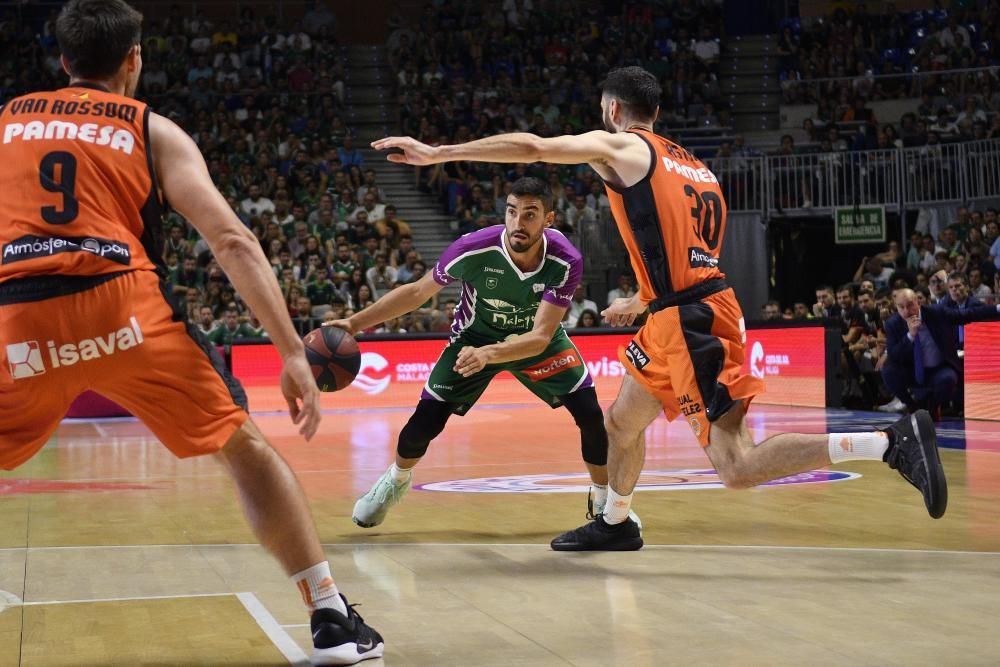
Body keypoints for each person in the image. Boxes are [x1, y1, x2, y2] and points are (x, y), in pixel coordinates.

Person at [371, 65, 951, 553]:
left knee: (735, 465)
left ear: (613, 108)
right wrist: (647, 297)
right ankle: (616, 522)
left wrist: (440, 153)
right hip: (676, 312)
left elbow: (535, 149)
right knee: (620, 422)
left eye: (603, 111)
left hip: (694, 323)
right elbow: (692, 256)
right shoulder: (696, 168)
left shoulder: (626, 145)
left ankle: (885, 440)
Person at [0, 2, 382, 663]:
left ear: (62, 62)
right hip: (124, 311)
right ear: (134, 59)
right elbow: (231, 239)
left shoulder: (6, 123)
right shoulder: (153, 129)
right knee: (246, 448)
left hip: (17, 312)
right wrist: (291, 351)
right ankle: (329, 615)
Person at [326, 178, 624, 528]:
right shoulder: (473, 249)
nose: (518, 223)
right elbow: (418, 293)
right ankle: (395, 479)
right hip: (472, 338)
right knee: (422, 427)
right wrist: (356, 322)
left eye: (530, 215)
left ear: (549, 220)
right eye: (512, 212)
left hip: (533, 342)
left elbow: (541, 336)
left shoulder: (566, 260)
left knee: (590, 415)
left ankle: (605, 501)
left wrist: (492, 354)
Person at [881, 288, 1000, 419]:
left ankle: (933, 407)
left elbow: (966, 314)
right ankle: (911, 406)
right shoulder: (893, 324)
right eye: (901, 307)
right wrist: (910, 336)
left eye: (909, 305)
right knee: (888, 371)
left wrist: (997, 309)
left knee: (948, 378)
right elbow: (893, 355)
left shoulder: (936, 312)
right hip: (912, 370)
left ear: (917, 301)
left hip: (938, 368)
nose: (906, 311)